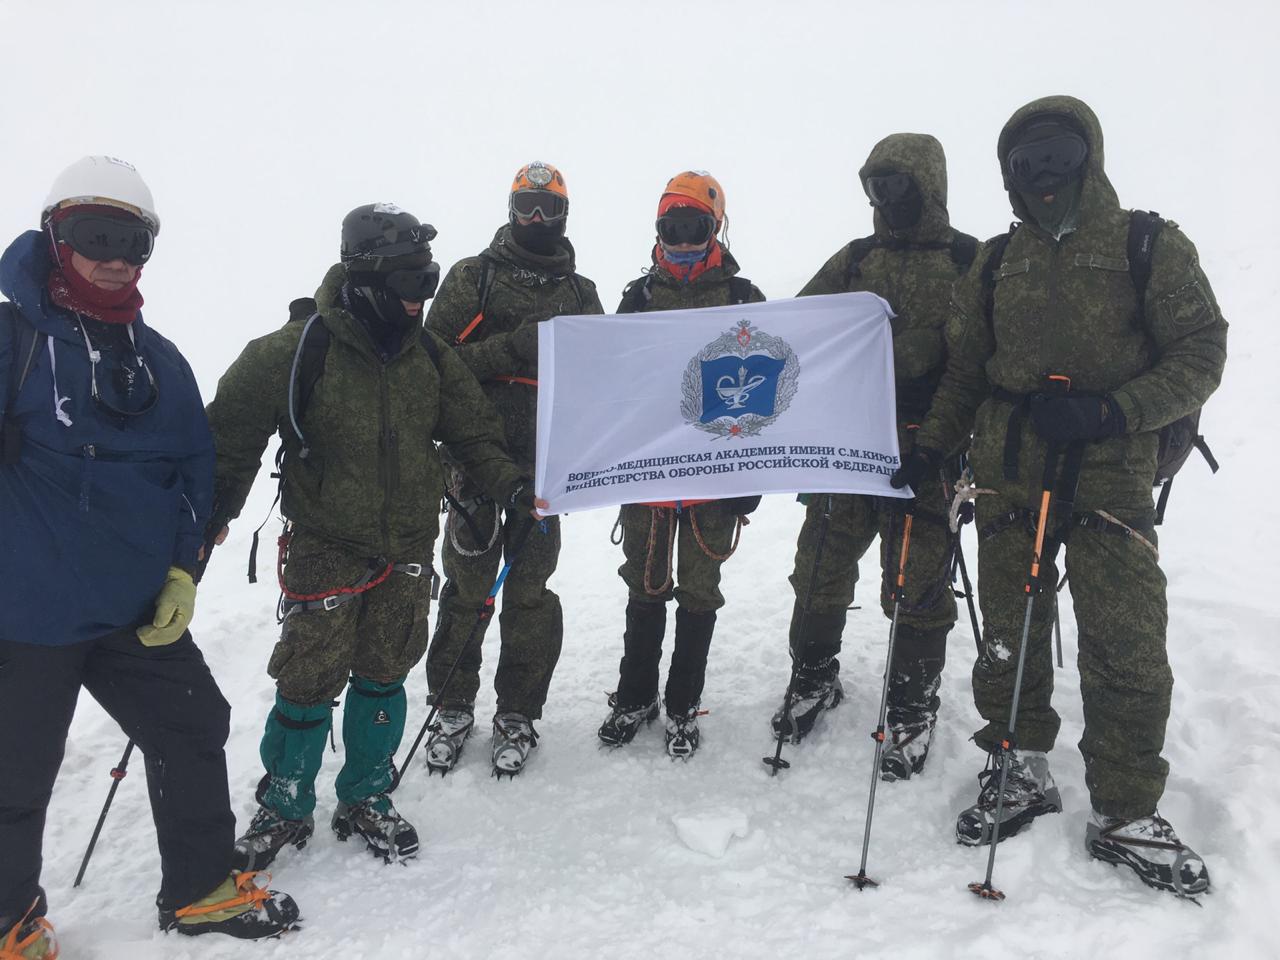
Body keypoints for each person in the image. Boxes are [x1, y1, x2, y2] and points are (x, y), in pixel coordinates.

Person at [893, 95, 1227, 896]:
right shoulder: (997, 261)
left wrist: (1117, 410)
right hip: (1008, 461)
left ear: (1090, 156)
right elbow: (970, 367)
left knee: (1126, 638)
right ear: (1008, 176)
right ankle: (1019, 764)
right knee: (1010, 629)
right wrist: (936, 441)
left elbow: (1201, 349)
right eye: (1024, 161)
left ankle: (1124, 809)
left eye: (1057, 155)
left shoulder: (1150, 245)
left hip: (1109, 464)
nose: (1043, 175)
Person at [0, 156, 298, 950]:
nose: (115, 256)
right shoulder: (10, 339)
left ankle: (199, 889)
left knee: (195, 723)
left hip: (132, 608)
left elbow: (194, 473)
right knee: (15, 773)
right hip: (26, 611)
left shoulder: (159, 361)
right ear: (55, 236)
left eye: (132, 241)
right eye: (95, 235)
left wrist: (182, 571)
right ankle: (8, 921)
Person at [205, 203, 532, 869]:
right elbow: (228, 442)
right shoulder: (296, 351)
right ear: (365, 278)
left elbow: (474, 434)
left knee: (385, 673)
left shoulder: (431, 359)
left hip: (407, 547)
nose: (420, 301)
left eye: (429, 283)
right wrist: (205, 519)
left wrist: (513, 488)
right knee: (308, 675)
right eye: (410, 284)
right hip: (325, 541)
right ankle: (286, 800)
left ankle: (365, 795)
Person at [770, 135, 978, 781]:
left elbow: (983, 357)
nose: (885, 198)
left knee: (916, 582)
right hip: (848, 447)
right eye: (876, 186)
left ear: (929, 185)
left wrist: (924, 370)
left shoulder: (970, 260)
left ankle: (912, 706)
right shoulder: (855, 259)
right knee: (820, 566)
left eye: (898, 184)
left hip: (930, 450)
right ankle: (812, 675)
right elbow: (796, 332)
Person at [423, 162, 603, 777]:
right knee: (466, 589)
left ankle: (519, 711)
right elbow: (433, 363)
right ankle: (450, 705)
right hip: (473, 464)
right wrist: (511, 348)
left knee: (529, 593)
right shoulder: (472, 277)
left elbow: (604, 380)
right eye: (525, 205)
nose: (535, 219)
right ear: (509, 208)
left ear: (563, 215)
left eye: (547, 209)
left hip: (546, 474)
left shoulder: (581, 294)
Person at [597, 171, 765, 759]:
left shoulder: (744, 299)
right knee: (644, 585)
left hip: (714, 482)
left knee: (699, 591)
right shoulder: (638, 298)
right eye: (672, 226)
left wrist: (752, 480)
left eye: (693, 226)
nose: (682, 239)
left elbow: (766, 396)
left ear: (714, 227)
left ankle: (681, 706)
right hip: (648, 478)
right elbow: (613, 383)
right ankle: (634, 696)